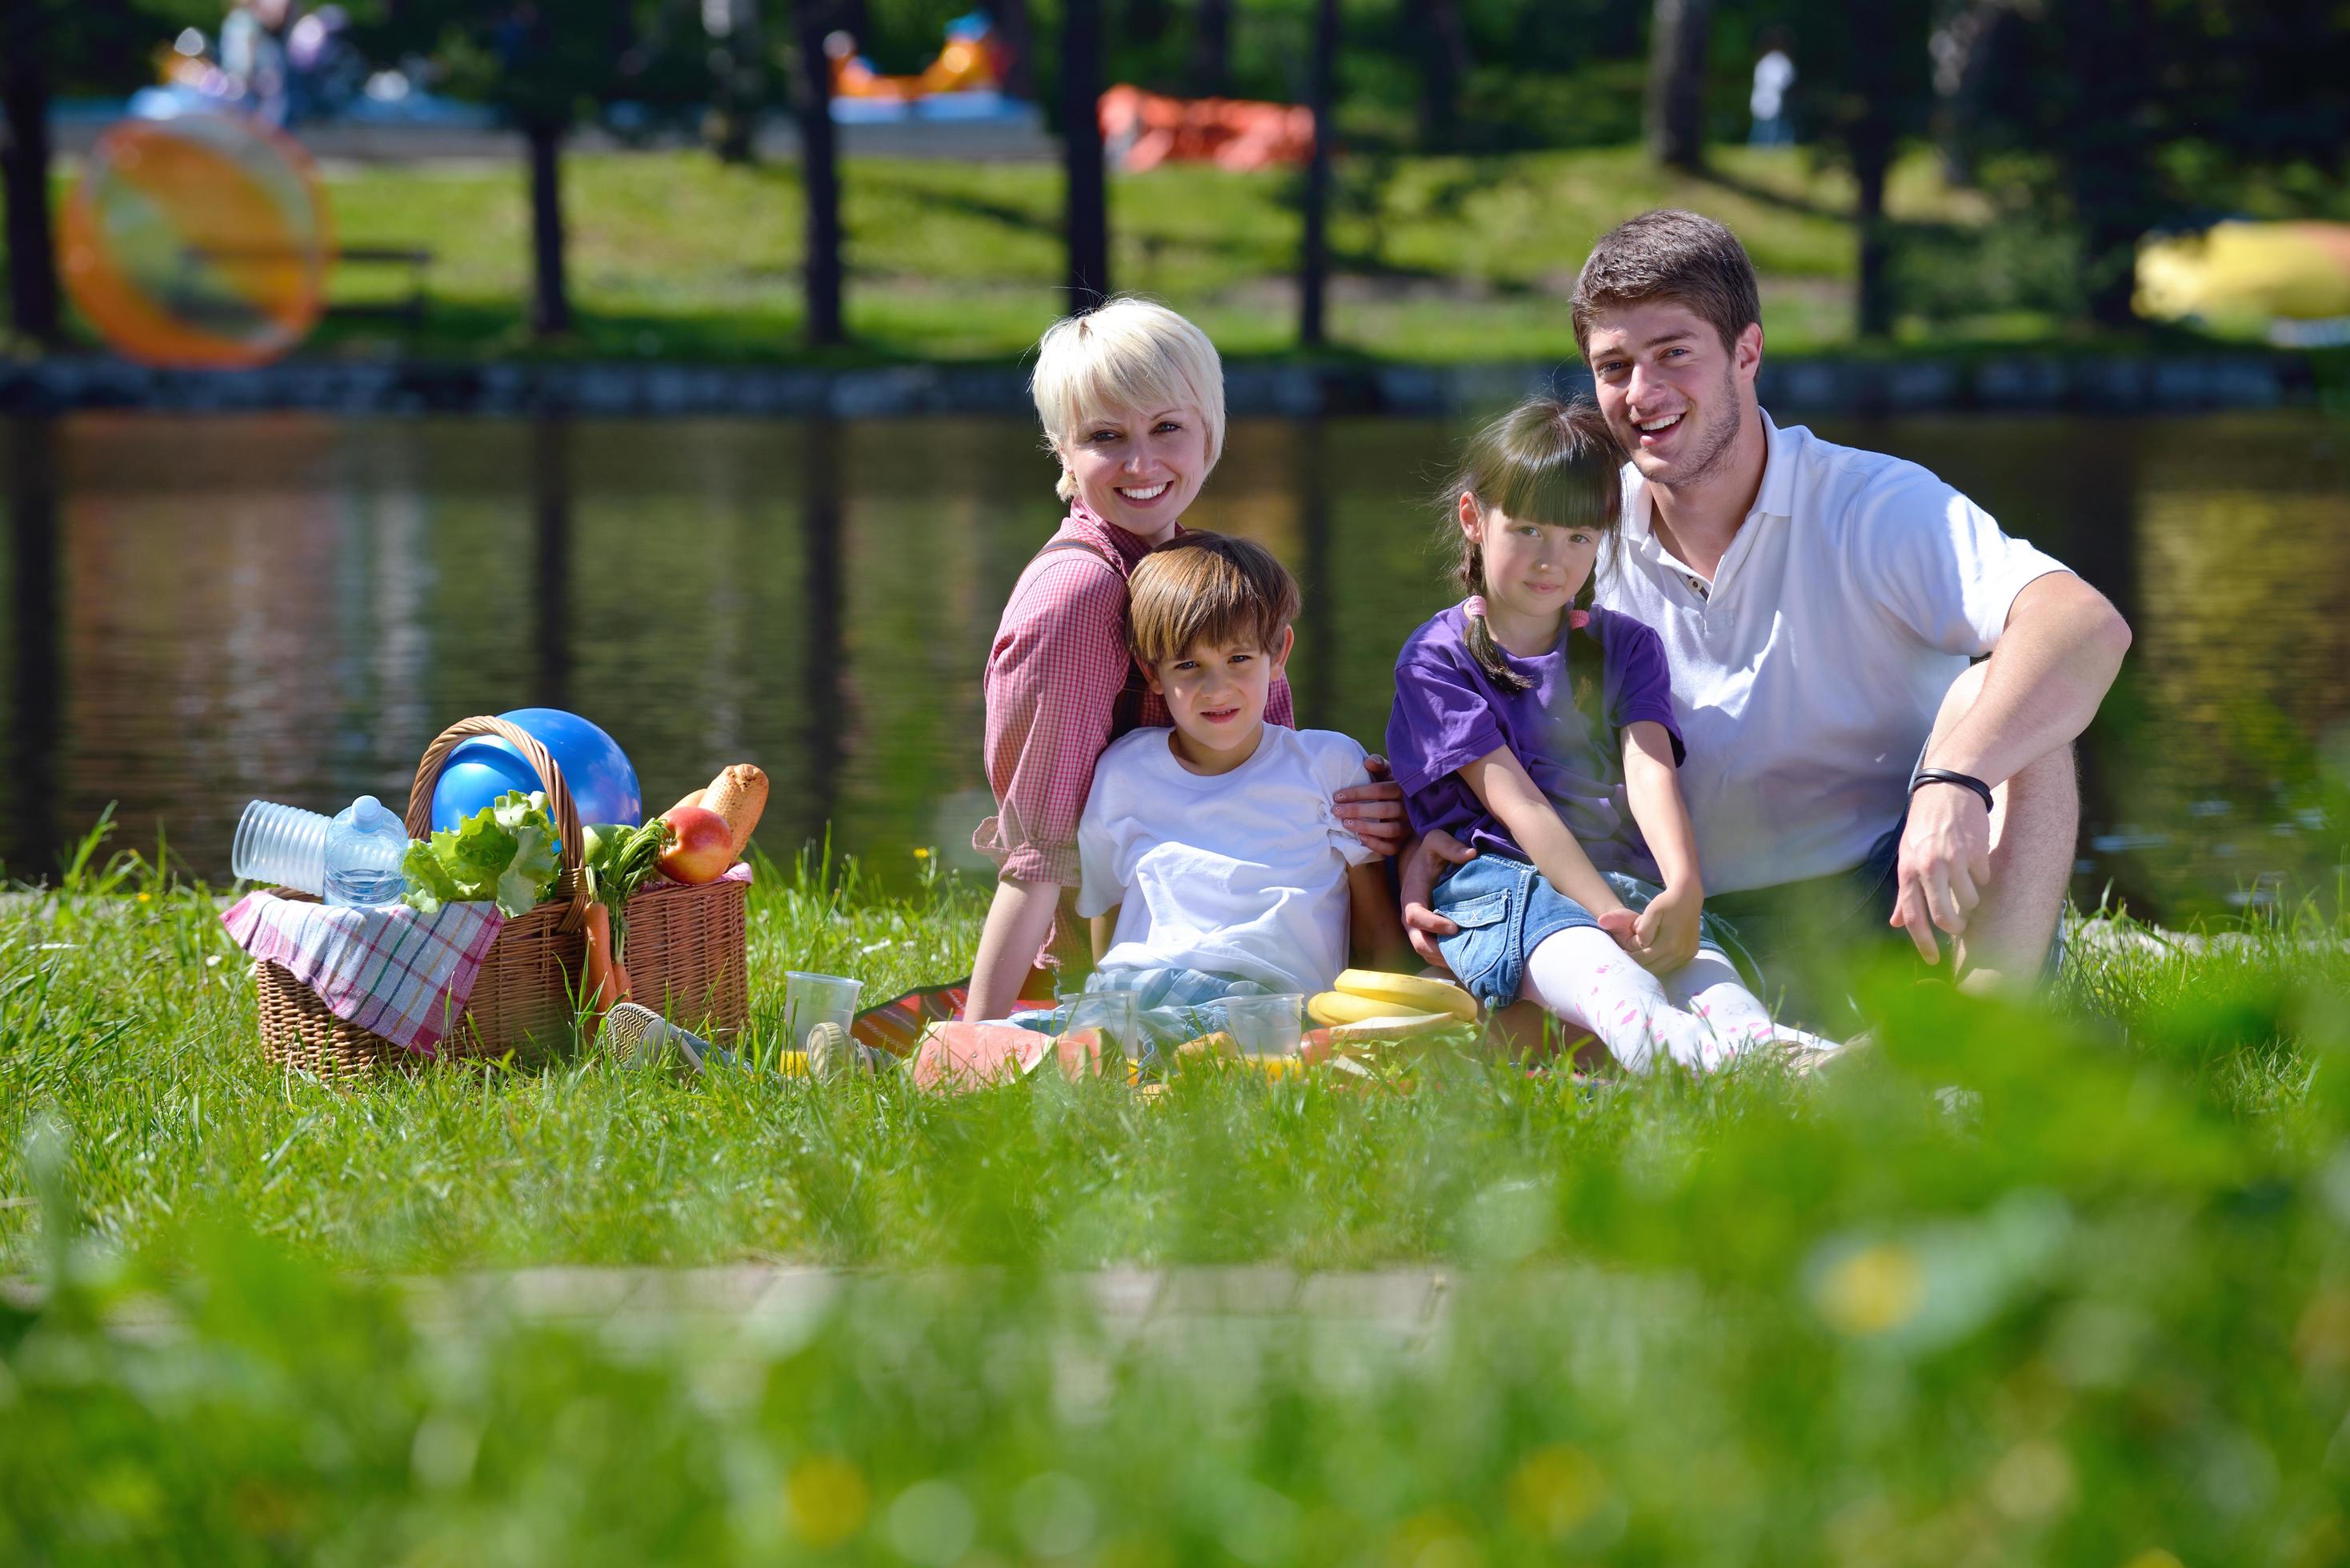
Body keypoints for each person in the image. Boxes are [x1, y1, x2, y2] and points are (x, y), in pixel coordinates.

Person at [1402, 211, 2131, 1027]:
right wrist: (1414, 830)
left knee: (2009, 696)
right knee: (1542, 1026)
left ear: (1746, 353)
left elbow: (2083, 623)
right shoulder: (1579, 540)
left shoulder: (1872, 503)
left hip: (1897, 894)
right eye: (1614, 367)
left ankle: (1985, 1040)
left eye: (1674, 353)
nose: (1642, 395)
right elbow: (1473, 693)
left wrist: (1953, 774)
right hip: (1691, 918)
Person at [965, 299, 1407, 1022]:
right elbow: (1036, 851)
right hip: (1135, 956)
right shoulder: (1079, 596)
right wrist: (975, 1036)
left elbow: (1266, 769)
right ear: (1063, 453)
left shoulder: (1197, 571)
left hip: (1257, 936)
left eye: (1167, 427)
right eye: (1106, 436)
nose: (1142, 463)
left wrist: (1365, 802)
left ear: (1210, 431)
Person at [1388, 398, 1814, 1072]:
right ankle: (1743, 1080)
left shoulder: (1627, 646)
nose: (1550, 561)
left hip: (1625, 882)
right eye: (1526, 529)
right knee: (1618, 988)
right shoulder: (1436, 658)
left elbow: (1649, 771)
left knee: (1725, 1001)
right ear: (1473, 519)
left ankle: (1803, 1072)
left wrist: (1681, 888)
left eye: (1578, 538)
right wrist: (1606, 914)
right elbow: (1519, 805)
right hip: (1503, 888)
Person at [1009, 534, 1403, 1049]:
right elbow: (1109, 912)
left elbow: (1373, 922)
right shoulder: (1125, 771)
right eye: (1188, 666)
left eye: (1238, 659)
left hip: (1262, 998)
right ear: (1152, 672)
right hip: (1136, 984)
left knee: (1159, 1045)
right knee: (1032, 1034)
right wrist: (1099, 1002)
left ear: (1278, 653)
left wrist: (1397, 1009)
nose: (1216, 689)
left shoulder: (1328, 764)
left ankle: (1089, 1058)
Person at [1748, 30, 1796, 147]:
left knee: (1763, 127)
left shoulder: (1765, 61)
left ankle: (1763, 148)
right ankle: (1766, 147)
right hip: (1771, 96)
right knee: (1768, 127)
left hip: (1768, 97)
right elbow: (1787, 80)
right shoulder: (1780, 61)